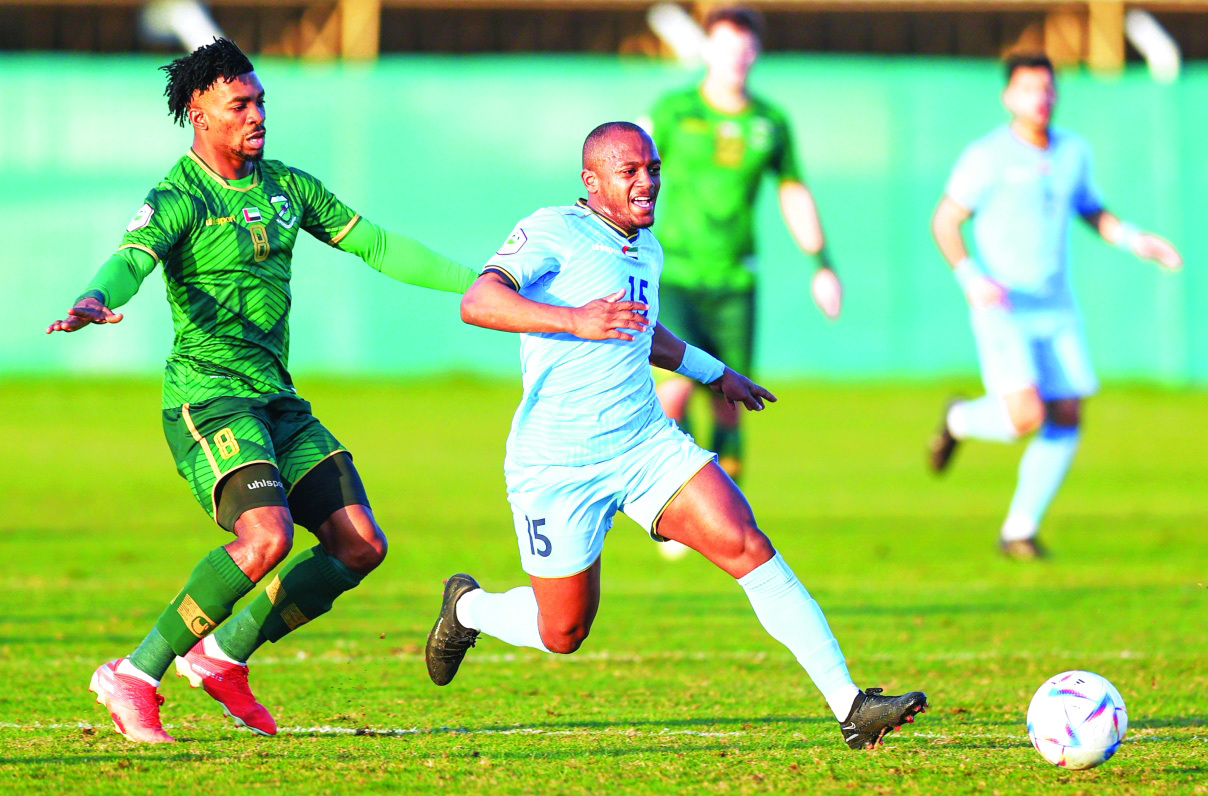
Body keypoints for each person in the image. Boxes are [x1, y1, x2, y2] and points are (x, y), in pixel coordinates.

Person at [424, 121, 926, 750]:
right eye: (628, 171)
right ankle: (467, 609)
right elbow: (478, 301)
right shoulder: (554, 228)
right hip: (556, 466)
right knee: (564, 632)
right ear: (591, 180)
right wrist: (574, 319)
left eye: (652, 169)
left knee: (747, 544)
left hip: (643, 446)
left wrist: (716, 374)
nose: (646, 182)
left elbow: (646, 332)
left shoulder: (647, 248)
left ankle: (851, 706)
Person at [47, 38, 476, 743]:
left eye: (260, 102)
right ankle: (135, 673)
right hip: (209, 398)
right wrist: (94, 298)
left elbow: (377, 244)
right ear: (200, 113)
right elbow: (129, 261)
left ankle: (221, 656)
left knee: (360, 543)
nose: (256, 115)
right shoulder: (178, 196)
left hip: (276, 399)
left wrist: (476, 283)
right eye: (239, 104)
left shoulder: (286, 188)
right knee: (266, 536)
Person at [928, 53, 1182, 559]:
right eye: (1027, 90)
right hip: (1003, 304)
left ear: (1055, 95)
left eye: (1046, 89)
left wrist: (1136, 240)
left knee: (1066, 412)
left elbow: (1093, 211)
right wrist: (969, 275)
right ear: (1008, 97)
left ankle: (1019, 529)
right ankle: (959, 419)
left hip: (1055, 305)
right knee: (1024, 415)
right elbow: (945, 221)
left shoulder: (1072, 152)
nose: (1039, 99)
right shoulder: (988, 155)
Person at [647, 6, 842, 494]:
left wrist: (822, 266)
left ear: (756, 52)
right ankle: (676, 502)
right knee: (671, 391)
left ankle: (725, 508)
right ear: (707, 48)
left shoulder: (770, 122)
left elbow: (793, 191)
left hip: (736, 282)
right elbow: (629, 166)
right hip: (674, 276)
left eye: (746, 48)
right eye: (727, 47)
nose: (738, 58)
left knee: (727, 399)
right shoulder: (674, 110)